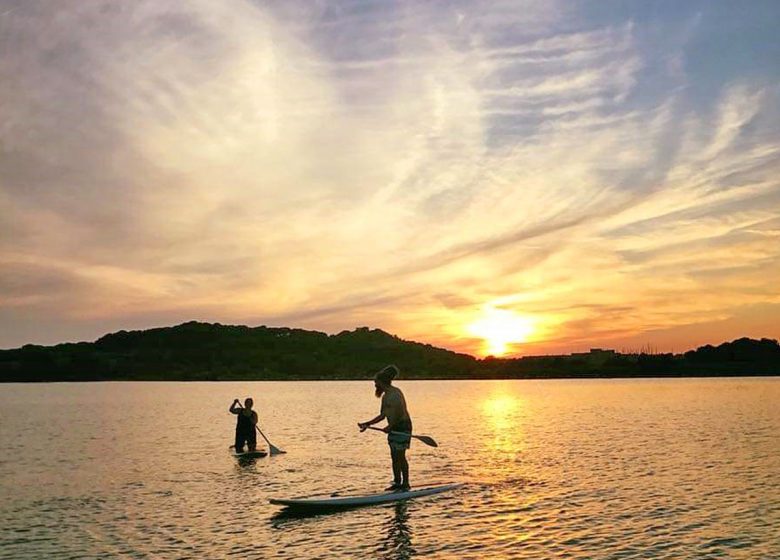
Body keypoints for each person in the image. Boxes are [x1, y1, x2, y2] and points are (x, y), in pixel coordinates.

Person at [358, 365, 413, 491]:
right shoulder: (385, 396)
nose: (375, 385)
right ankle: (397, 482)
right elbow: (383, 415)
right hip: (393, 427)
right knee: (394, 456)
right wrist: (368, 423)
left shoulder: (395, 394)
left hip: (403, 426)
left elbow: (400, 413)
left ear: (382, 382)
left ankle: (406, 483)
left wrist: (390, 426)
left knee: (400, 456)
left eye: (376, 382)